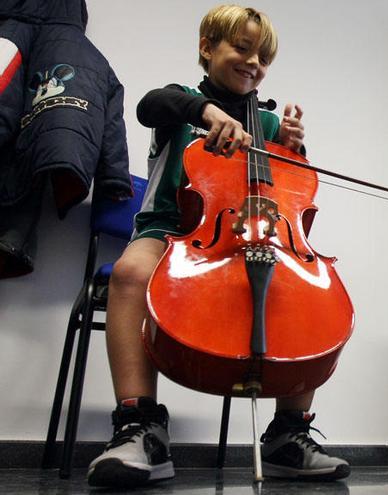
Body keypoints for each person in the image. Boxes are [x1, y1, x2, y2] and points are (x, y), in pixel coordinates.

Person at [87, 5, 349, 488]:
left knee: (309, 296)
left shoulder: (266, 125)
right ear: (208, 49)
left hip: (256, 237)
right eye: (242, 48)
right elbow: (150, 104)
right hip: (169, 231)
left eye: (263, 57)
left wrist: (292, 148)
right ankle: (139, 425)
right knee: (128, 274)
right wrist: (204, 111)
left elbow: (286, 194)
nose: (254, 63)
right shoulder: (180, 102)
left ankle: (288, 435)